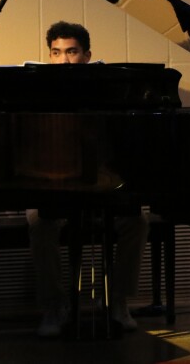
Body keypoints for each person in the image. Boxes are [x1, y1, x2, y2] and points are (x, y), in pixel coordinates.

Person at [28, 20, 149, 337]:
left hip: (102, 185)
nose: (64, 60)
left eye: (71, 52)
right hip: (56, 186)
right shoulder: (34, 91)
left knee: (137, 222)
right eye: (56, 53)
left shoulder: (109, 90)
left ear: (87, 55)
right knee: (38, 222)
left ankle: (118, 301)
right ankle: (55, 306)